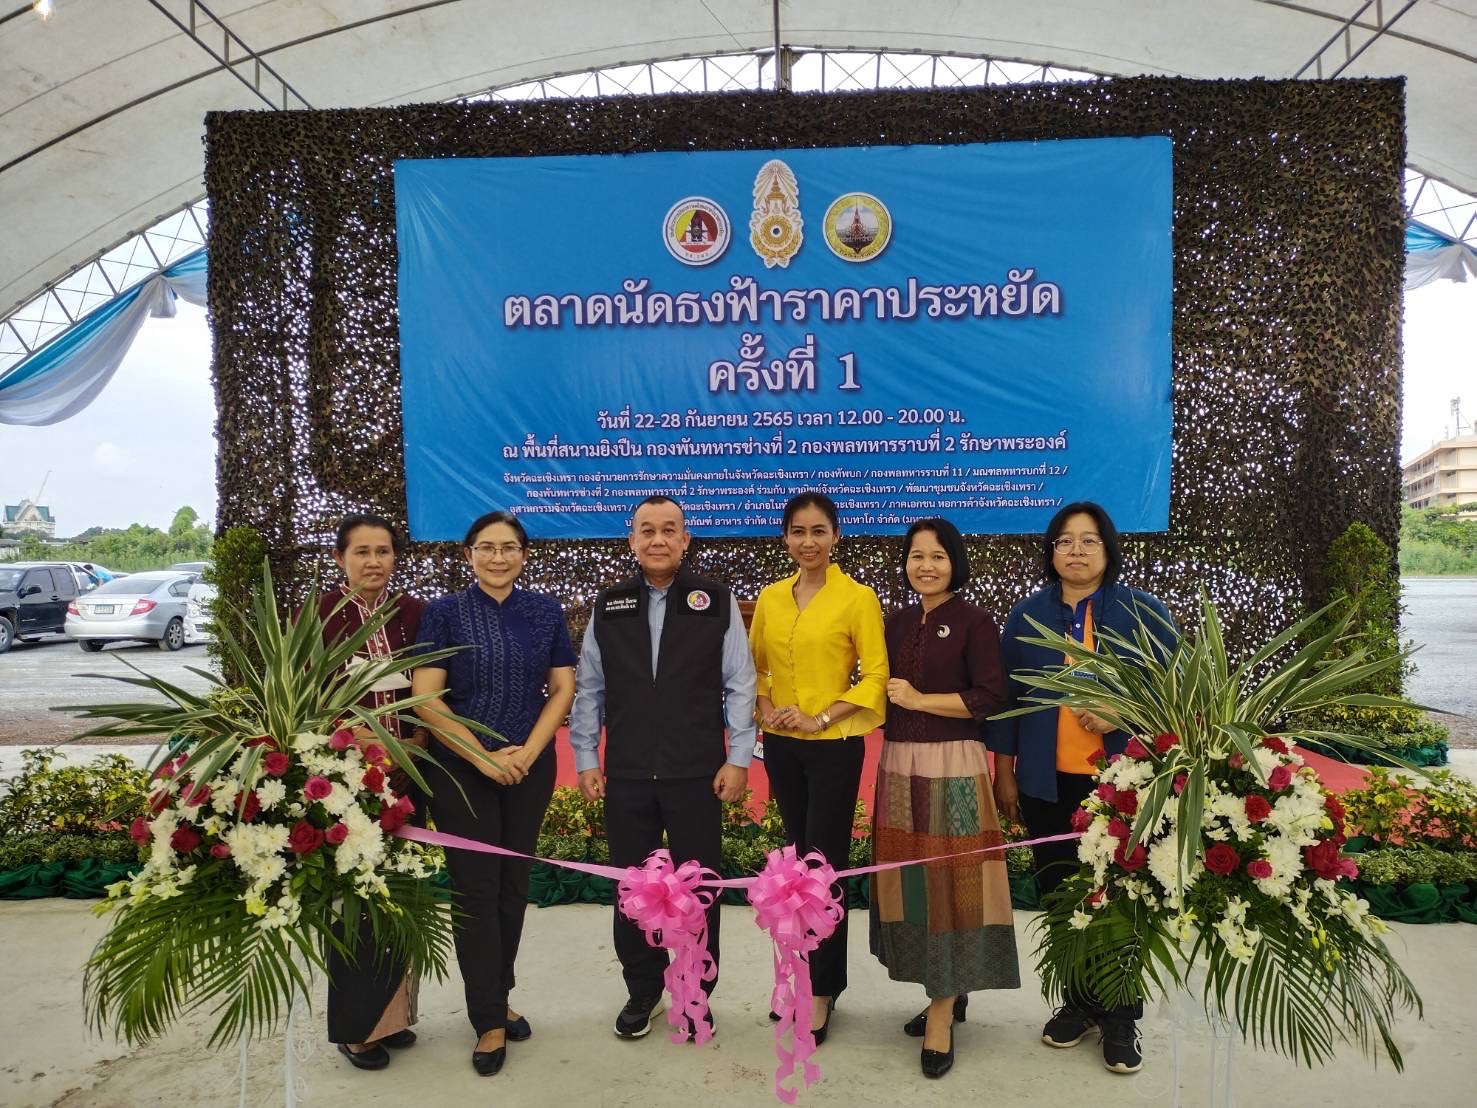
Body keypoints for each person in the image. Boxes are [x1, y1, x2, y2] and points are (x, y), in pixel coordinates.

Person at [987, 501, 1176, 1076]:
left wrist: (1120, 715)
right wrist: (1004, 771)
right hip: (1046, 783)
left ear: (1108, 549)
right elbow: (1008, 703)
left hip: (1122, 786)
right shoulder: (1026, 616)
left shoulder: (1143, 612)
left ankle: (1121, 1016)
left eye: (1088, 541)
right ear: (1050, 552)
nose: (1075, 551)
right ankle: (1077, 1002)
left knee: (1121, 898)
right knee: (1062, 897)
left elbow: (1175, 696)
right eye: (1065, 541)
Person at [568, 495, 756, 1041]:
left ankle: (696, 989)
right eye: (646, 530)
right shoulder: (610, 604)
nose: (657, 539)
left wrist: (738, 758)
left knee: (700, 888)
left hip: (698, 772)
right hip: (626, 773)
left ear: (685, 539)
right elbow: (591, 688)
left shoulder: (714, 601)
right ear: (632, 540)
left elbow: (739, 684)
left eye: (668, 529)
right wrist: (586, 757)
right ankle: (642, 989)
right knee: (634, 890)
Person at [411, 510, 576, 1077]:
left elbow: (562, 688)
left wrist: (527, 753)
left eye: (509, 547)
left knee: (511, 888)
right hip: (460, 770)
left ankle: (498, 996)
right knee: (475, 893)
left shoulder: (545, 612)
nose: (498, 557)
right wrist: (483, 756)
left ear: (524, 555)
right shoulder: (444, 613)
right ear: (469, 554)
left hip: (529, 765)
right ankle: (487, 1019)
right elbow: (426, 701)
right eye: (486, 547)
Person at [871, 517, 1018, 1079]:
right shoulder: (897, 620)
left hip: (953, 765)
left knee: (953, 885)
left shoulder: (975, 621)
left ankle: (941, 1013)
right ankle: (943, 990)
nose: (924, 565)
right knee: (911, 884)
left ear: (955, 562)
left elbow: (989, 697)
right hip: (898, 766)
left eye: (936, 556)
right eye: (915, 556)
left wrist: (921, 698)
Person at [749, 491, 888, 1043]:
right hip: (782, 746)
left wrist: (824, 716)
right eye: (798, 532)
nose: (808, 542)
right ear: (785, 538)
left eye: (818, 531)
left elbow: (875, 675)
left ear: (835, 536)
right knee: (791, 867)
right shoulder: (770, 597)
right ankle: (795, 976)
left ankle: (824, 989)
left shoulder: (857, 598)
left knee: (822, 865)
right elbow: (756, 668)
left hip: (833, 747)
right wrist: (765, 708)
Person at [316, 513, 426, 1071]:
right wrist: (343, 735)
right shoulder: (317, 615)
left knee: (401, 899)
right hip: (347, 785)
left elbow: (431, 686)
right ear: (341, 558)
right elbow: (300, 697)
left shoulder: (413, 614)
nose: (374, 562)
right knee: (355, 904)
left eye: (383, 551)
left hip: (409, 777)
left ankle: (392, 1016)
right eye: (362, 551)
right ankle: (357, 1028)